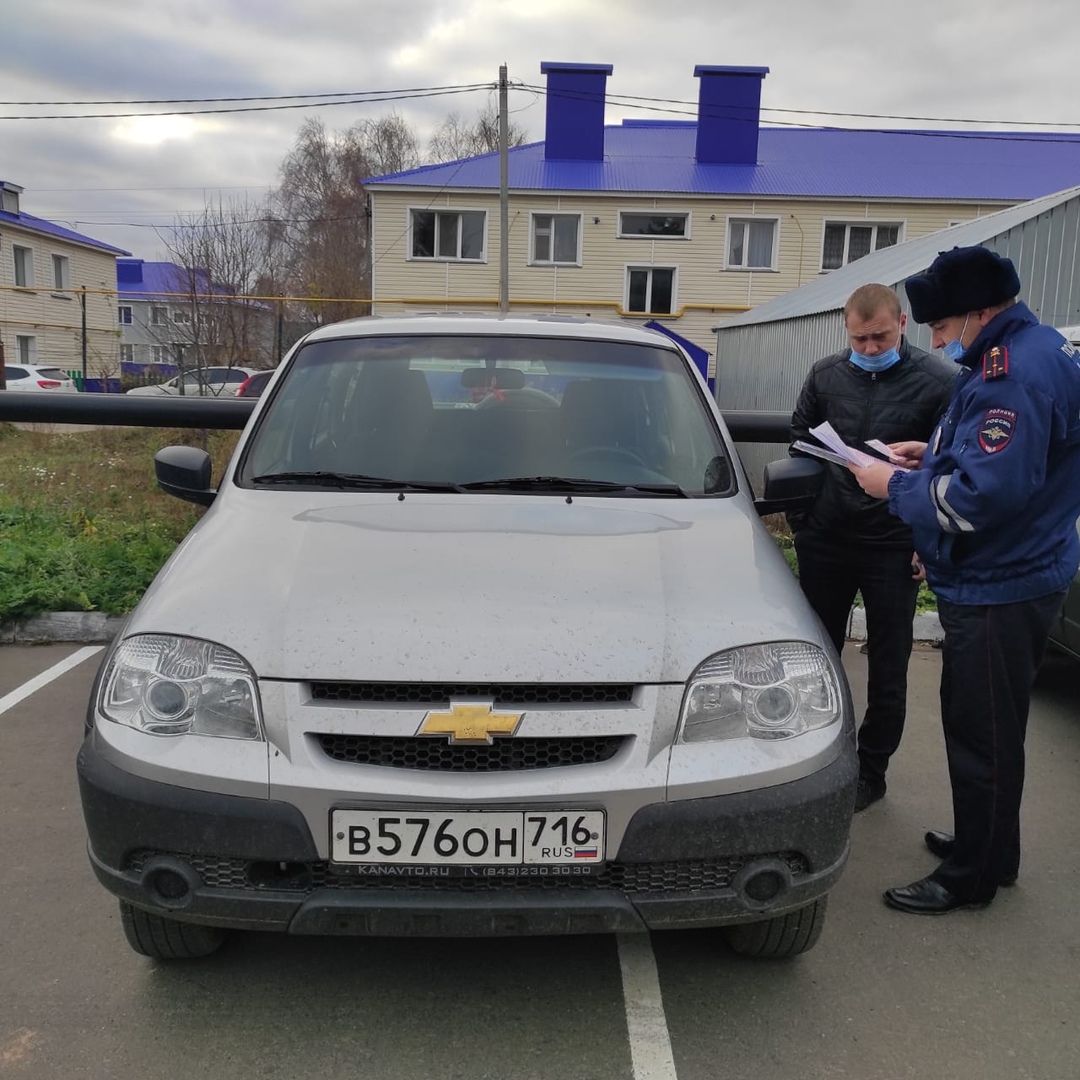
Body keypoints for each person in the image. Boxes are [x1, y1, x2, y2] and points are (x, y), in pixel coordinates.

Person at [850, 245, 1080, 914]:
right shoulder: (1026, 351)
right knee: (993, 729)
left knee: (981, 735)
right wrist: (932, 456)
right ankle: (988, 846)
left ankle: (971, 875)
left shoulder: (1013, 375)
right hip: (1012, 572)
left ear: (981, 311)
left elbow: (980, 498)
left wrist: (891, 484)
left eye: (943, 326)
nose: (935, 338)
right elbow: (994, 459)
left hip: (998, 584)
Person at [790, 283, 954, 812]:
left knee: (889, 661)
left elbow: (954, 465)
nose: (867, 349)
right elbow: (800, 440)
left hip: (894, 542)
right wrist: (804, 519)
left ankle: (871, 769)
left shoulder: (940, 382)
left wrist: (925, 541)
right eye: (858, 339)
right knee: (814, 657)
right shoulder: (825, 374)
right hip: (828, 538)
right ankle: (809, 758)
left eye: (878, 337)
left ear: (902, 324)